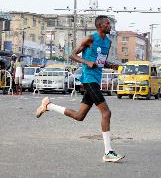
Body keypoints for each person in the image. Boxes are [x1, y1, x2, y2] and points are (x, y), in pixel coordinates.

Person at [35, 15, 124, 162]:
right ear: (100, 26)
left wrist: (110, 65)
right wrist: (86, 62)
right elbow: (72, 55)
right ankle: (108, 152)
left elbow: (100, 61)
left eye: (110, 24)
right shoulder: (90, 38)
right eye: (107, 24)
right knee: (106, 113)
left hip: (96, 79)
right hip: (88, 79)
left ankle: (48, 106)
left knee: (79, 116)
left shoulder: (108, 41)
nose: (110, 26)